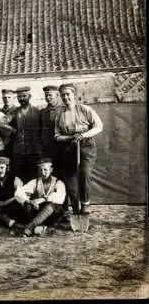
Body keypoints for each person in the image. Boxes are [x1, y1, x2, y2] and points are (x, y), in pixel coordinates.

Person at [54, 83, 103, 215]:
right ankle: (76, 208)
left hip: (86, 145)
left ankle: (85, 203)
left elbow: (99, 126)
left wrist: (83, 135)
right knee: (69, 180)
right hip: (69, 147)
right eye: (62, 95)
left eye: (68, 94)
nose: (65, 97)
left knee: (85, 172)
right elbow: (57, 135)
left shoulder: (84, 109)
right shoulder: (60, 114)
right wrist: (69, 138)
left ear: (74, 95)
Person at [0, 87, 42, 183]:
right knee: (19, 177)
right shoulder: (14, 112)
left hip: (34, 150)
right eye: (19, 97)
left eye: (24, 96)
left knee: (33, 176)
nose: (21, 99)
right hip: (19, 150)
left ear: (29, 96)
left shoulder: (37, 112)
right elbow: (0, 124)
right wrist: (12, 130)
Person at [14, 158, 67, 236]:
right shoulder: (35, 182)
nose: (43, 173)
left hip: (52, 215)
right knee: (28, 204)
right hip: (39, 213)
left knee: (50, 205)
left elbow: (60, 197)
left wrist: (43, 199)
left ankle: (30, 226)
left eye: (45, 170)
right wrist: (30, 201)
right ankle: (37, 226)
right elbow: (18, 192)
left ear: (51, 170)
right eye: (40, 170)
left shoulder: (58, 182)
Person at [39, 85, 64, 178]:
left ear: (57, 95)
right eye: (46, 95)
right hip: (47, 148)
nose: (47, 98)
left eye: (50, 95)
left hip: (61, 147)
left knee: (62, 171)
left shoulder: (63, 109)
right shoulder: (43, 112)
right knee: (49, 172)